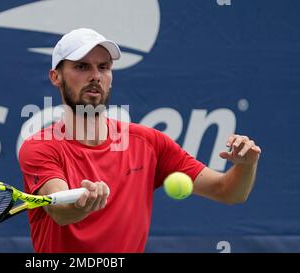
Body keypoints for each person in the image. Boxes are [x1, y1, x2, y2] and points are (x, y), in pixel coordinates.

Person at [18, 28, 261, 253]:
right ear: (56, 77)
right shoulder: (40, 147)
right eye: (82, 67)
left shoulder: (149, 143)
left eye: (103, 67)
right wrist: (84, 204)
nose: (95, 76)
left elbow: (228, 192)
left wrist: (246, 164)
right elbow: (59, 210)